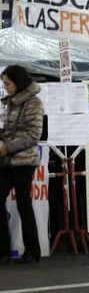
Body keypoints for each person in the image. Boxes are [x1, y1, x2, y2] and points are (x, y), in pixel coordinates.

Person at [0, 65, 44, 263]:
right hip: (9, 159)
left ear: (18, 82)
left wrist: (7, 147)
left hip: (24, 160)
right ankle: (4, 248)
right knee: (21, 203)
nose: (5, 87)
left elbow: (34, 135)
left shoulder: (34, 103)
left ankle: (33, 249)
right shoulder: (10, 103)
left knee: (24, 204)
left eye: (8, 83)